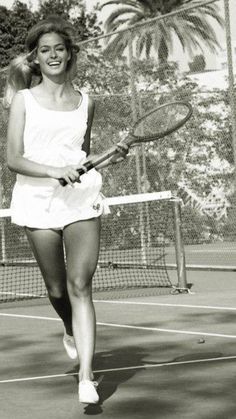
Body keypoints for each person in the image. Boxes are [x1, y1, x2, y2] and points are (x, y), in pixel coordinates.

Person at [5, 15, 127, 405]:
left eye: (60, 48)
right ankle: (68, 327)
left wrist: (109, 159)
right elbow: (13, 159)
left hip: (81, 201)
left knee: (80, 285)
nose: (53, 55)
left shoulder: (86, 101)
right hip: (37, 201)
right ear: (35, 58)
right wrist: (54, 170)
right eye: (45, 50)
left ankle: (87, 378)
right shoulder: (23, 101)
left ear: (70, 54)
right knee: (57, 289)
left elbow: (81, 157)